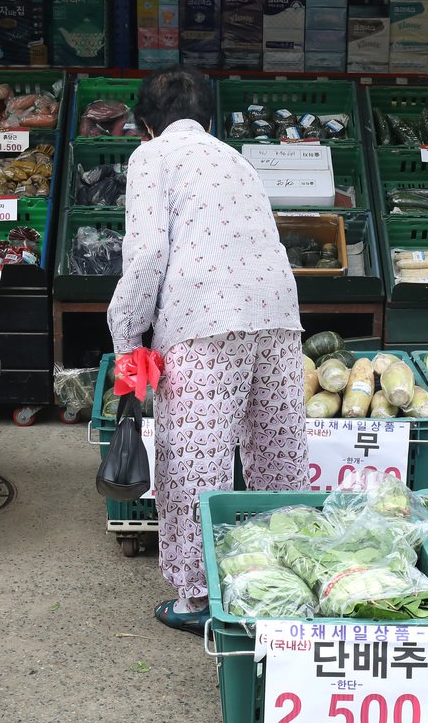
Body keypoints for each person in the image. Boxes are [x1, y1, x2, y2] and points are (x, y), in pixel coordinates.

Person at [107, 67, 307, 635]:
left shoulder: (152, 158)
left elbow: (146, 256)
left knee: (196, 462)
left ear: (144, 125)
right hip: (277, 319)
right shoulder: (235, 157)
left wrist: (126, 335)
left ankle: (197, 600)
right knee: (279, 457)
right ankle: (284, 587)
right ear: (211, 119)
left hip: (204, 321)